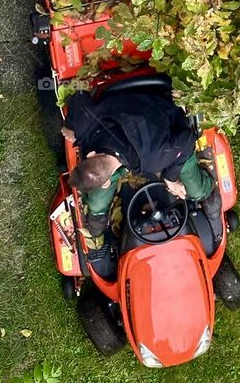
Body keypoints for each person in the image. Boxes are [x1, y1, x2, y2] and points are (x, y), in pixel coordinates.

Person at [62, 84, 222, 273]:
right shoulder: (86, 121)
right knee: (97, 203)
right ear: (91, 155)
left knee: (195, 189)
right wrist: (71, 128)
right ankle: (97, 218)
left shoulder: (156, 158)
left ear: (106, 181)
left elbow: (186, 140)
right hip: (141, 131)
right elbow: (79, 94)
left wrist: (170, 178)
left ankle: (206, 189)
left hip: (163, 118)